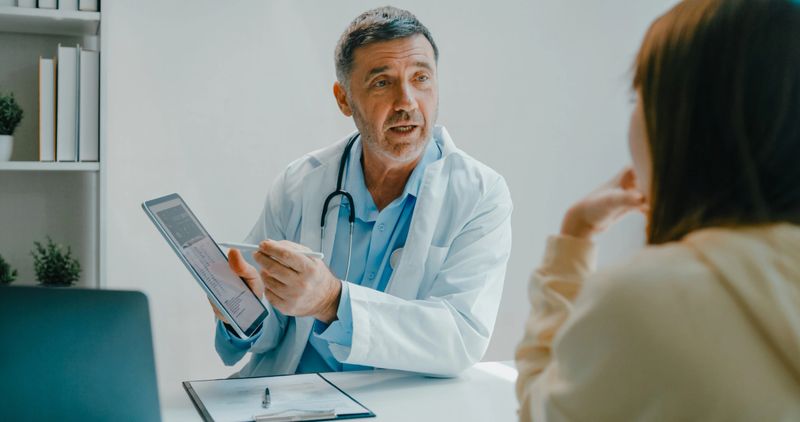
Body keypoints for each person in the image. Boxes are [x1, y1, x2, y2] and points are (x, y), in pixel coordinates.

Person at [516, 0, 800, 420]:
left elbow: (541, 410)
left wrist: (573, 241)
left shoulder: (642, 300)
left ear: (685, 121)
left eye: (638, 96)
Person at [212, 6, 513, 377]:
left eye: (421, 78)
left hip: (397, 404)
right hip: (292, 398)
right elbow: (270, 331)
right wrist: (243, 308)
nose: (407, 102)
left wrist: (332, 301)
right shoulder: (300, 183)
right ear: (343, 99)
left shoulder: (480, 195)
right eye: (382, 83)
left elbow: (459, 338)